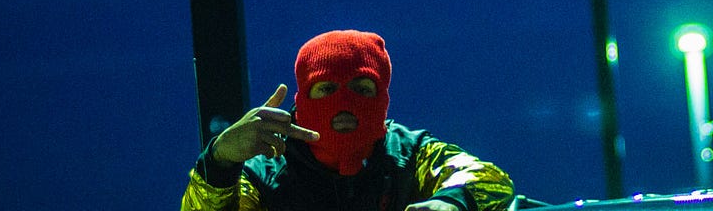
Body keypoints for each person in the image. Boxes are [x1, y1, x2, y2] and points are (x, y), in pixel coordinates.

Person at [182, 30, 514, 211]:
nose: (343, 103)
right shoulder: (266, 170)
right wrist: (219, 160)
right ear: (303, 100)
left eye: (360, 88)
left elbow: (487, 179)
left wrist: (449, 203)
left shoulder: (409, 152)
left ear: (382, 98)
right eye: (326, 89)